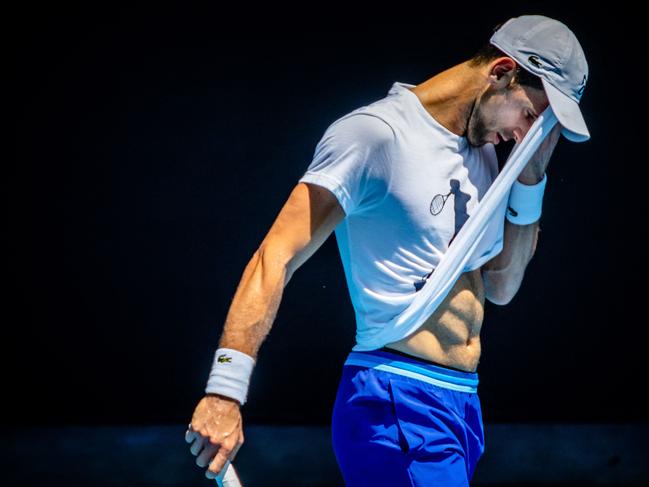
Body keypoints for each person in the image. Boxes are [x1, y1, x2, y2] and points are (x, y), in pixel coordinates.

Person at [185, 14, 590, 486]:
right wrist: (224, 391)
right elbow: (275, 256)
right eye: (531, 116)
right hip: (397, 399)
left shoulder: (481, 152)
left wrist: (529, 178)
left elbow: (501, 286)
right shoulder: (375, 134)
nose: (527, 135)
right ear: (502, 72)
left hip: (459, 405)